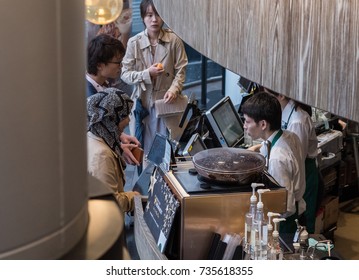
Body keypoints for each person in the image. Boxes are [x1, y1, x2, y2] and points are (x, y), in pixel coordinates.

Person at [121, 0, 188, 164]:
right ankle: (147, 186)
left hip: (167, 103)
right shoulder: (134, 42)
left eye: (158, 15)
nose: (154, 20)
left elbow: (181, 69)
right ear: (143, 17)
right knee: (144, 150)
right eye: (150, 15)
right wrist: (146, 74)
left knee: (167, 149)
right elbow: (125, 73)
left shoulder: (174, 40)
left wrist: (174, 89)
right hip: (143, 105)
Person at [241, 92, 306, 234]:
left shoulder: (278, 159)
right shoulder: (289, 136)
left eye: (247, 121)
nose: (244, 126)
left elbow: (284, 206)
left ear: (263, 124)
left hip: (283, 222)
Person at [265, 88, 319, 234]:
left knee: (305, 222)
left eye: (269, 96)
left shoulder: (297, 121)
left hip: (305, 171)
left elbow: (297, 157)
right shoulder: (284, 113)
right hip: (299, 170)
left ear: (281, 95)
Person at [86, 33, 141, 166]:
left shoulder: (103, 85)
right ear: (100, 65)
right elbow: (93, 136)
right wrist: (120, 148)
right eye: (117, 62)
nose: (121, 66)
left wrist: (120, 137)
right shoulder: (88, 96)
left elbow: (103, 125)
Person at [87, 87, 140, 213]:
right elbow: (110, 202)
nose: (128, 121)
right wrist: (136, 197)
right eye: (124, 116)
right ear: (110, 120)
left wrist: (120, 149)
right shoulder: (103, 155)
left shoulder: (92, 136)